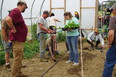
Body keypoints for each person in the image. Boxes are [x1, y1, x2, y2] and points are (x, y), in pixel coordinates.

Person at [5, 0, 28, 77]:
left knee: (19, 58)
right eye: (25, 7)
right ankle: (14, 75)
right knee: (17, 59)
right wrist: (13, 29)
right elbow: (8, 19)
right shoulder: (16, 11)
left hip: (19, 40)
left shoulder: (17, 12)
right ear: (22, 4)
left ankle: (19, 73)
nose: (25, 8)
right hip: (17, 40)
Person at [102, 3, 116, 77]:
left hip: (114, 46)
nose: (112, 11)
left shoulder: (114, 18)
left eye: (113, 9)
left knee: (109, 63)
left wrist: (110, 43)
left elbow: (111, 34)